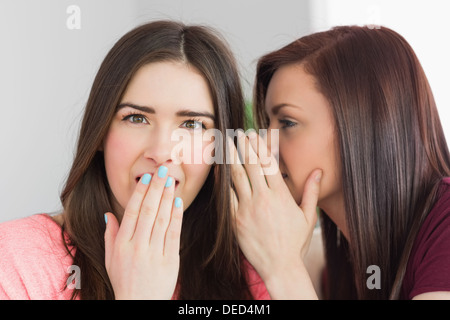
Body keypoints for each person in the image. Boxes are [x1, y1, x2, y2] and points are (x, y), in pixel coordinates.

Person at [0, 20, 269, 300]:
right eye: (136, 118)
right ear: (101, 133)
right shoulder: (14, 261)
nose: (162, 151)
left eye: (192, 124)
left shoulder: (245, 274)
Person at [230, 25, 450, 300]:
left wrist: (283, 268)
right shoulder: (342, 260)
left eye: (287, 122)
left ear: (363, 125)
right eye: (268, 123)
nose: (264, 146)